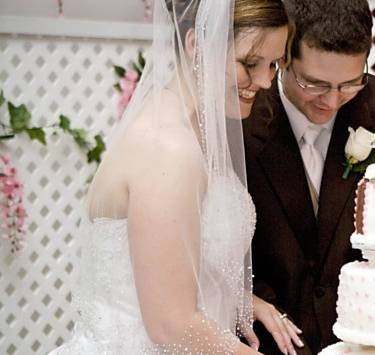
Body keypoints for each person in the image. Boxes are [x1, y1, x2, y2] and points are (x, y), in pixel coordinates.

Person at [48, 0, 302, 354]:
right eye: (249, 64)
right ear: (197, 45)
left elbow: (177, 266)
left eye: (273, 64)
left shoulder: (197, 129)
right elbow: (170, 323)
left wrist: (238, 299)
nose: (264, 81)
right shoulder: (166, 145)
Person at [243, 0, 375, 353]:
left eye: (350, 84)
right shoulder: (237, 117)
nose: (332, 102)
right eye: (314, 84)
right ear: (283, 57)